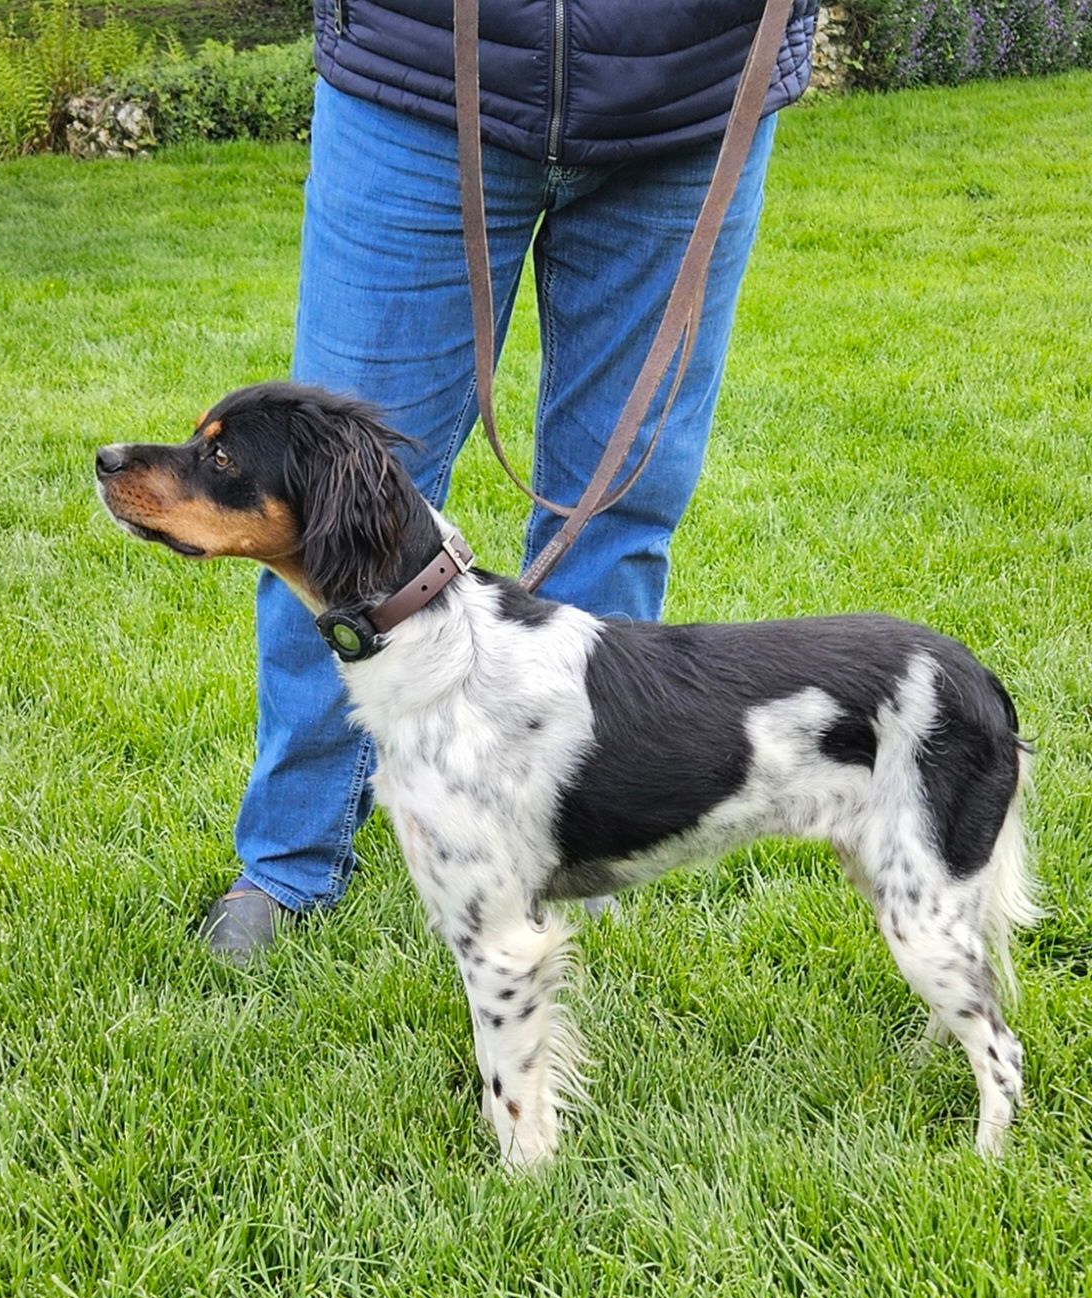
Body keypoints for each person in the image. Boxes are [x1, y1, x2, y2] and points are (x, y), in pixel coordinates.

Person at [202, 0, 819, 961]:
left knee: (623, 511)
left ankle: (576, 843)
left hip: (692, 85)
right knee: (322, 512)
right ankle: (290, 861)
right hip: (413, 76)